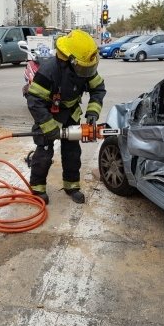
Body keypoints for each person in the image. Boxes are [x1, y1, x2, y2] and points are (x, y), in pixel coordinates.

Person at [26, 29, 106, 204]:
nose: (87, 72)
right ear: (69, 60)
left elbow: (98, 89)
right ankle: (37, 188)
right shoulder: (49, 71)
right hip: (48, 113)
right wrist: (48, 126)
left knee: (72, 152)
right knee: (44, 152)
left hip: (70, 113)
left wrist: (93, 112)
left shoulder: (85, 66)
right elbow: (34, 100)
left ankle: (72, 186)